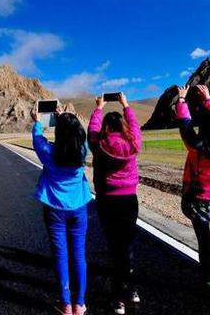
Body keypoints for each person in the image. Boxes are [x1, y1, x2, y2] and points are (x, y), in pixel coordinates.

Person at [31, 107, 92, 315]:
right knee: (78, 255)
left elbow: (37, 138)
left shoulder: (49, 152)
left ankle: (65, 304)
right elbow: (79, 135)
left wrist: (37, 120)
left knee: (60, 255)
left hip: (54, 210)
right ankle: (79, 304)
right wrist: (69, 119)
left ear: (58, 132)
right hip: (79, 210)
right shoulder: (82, 150)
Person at [87, 93, 142, 315]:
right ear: (122, 125)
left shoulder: (98, 144)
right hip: (129, 200)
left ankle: (118, 298)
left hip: (107, 200)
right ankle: (132, 290)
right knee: (126, 247)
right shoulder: (132, 143)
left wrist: (98, 109)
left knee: (114, 248)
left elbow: (91, 131)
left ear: (106, 129)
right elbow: (136, 127)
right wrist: (126, 105)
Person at [176, 85, 210, 290]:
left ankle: (207, 276)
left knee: (204, 241)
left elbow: (185, 125)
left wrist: (181, 101)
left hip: (199, 199)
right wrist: (208, 100)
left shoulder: (196, 146)